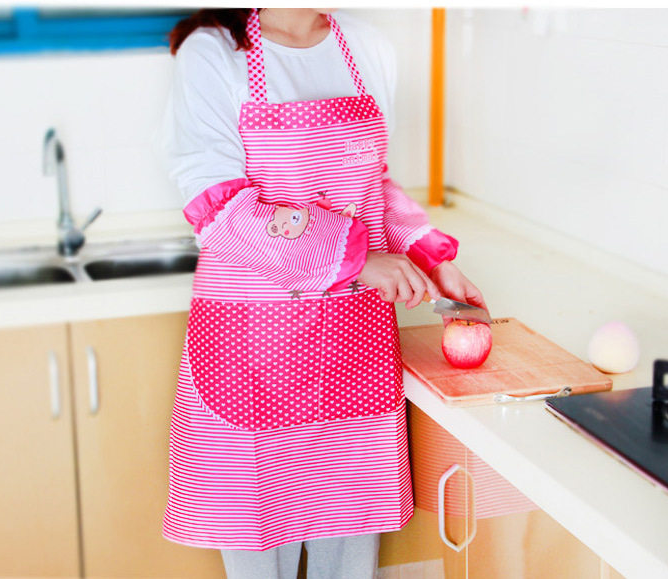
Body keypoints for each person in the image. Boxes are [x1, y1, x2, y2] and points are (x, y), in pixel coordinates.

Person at [160, 8, 487, 579]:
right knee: (258, 551)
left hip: (351, 352)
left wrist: (430, 256)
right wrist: (359, 259)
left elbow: (373, 184)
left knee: (349, 561)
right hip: (254, 355)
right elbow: (219, 210)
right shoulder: (212, 53)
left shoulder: (366, 46)